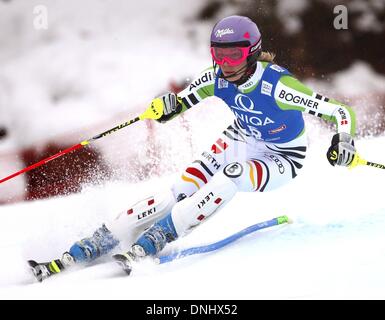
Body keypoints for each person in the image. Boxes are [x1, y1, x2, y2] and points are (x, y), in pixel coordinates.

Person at [29, 15, 356, 281]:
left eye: (234, 55)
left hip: (283, 156)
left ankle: (158, 238)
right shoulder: (215, 77)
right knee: (178, 190)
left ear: (252, 52)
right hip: (240, 138)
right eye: (218, 54)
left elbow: (342, 112)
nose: (225, 63)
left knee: (231, 176)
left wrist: (344, 141)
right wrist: (165, 107)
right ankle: (95, 241)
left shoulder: (278, 87)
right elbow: (178, 106)